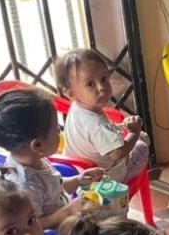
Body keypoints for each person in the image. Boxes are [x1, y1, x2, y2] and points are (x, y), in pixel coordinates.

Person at [0, 81, 103, 230]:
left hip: (63, 212)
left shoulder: (34, 161)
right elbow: (33, 225)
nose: (59, 132)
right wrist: (68, 212)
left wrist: (78, 180)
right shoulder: (24, 185)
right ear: (37, 145)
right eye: (56, 129)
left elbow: (52, 190)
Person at [54, 49, 149, 184]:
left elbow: (95, 135)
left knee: (134, 138)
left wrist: (121, 128)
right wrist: (134, 132)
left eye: (104, 79)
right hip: (103, 181)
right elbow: (118, 153)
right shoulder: (96, 124)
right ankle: (125, 182)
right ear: (71, 93)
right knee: (142, 143)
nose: (101, 87)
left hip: (76, 171)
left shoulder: (77, 108)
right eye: (90, 84)